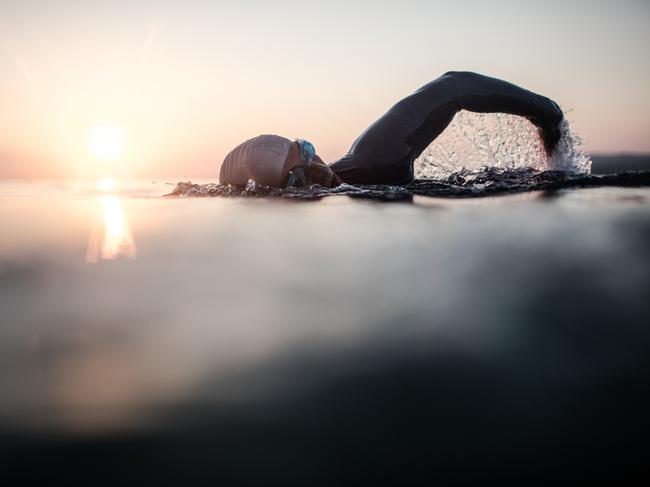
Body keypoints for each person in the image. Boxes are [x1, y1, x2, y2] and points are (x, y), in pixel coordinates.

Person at [219, 71, 564, 188]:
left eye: (307, 150)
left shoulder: (376, 159)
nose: (318, 169)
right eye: (298, 178)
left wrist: (547, 115)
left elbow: (452, 85)